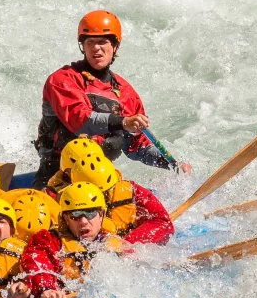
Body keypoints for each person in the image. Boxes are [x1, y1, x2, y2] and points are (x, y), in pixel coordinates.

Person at [33, 10, 189, 189]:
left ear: (115, 46)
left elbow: (137, 147)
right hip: (56, 177)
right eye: (90, 42)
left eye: (103, 42)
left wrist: (173, 165)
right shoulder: (63, 80)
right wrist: (123, 121)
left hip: (101, 182)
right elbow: (80, 120)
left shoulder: (126, 93)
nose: (96, 48)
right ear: (82, 46)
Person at [20, 182, 126, 298]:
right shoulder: (49, 240)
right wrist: (46, 289)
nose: (83, 222)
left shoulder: (114, 242)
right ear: (66, 218)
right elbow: (38, 263)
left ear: (101, 214)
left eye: (90, 213)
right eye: (75, 215)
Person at [70, 154, 174, 245]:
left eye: (106, 191)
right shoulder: (68, 203)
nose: (102, 197)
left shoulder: (132, 191)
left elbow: (164, 223)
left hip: (127, 240)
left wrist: (128, 242)